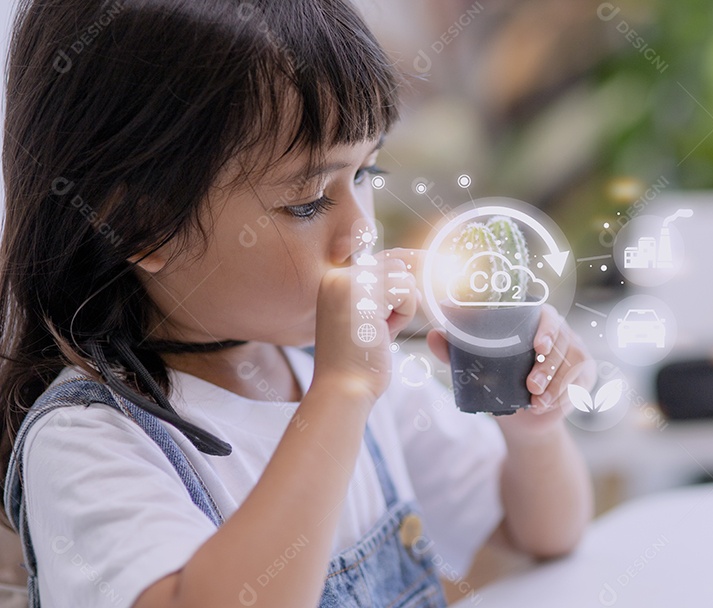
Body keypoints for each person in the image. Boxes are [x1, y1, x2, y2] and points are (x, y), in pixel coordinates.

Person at [0, 1, 596, 606]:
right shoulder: (87, 441)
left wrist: (532, 432)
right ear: (141, 226)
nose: (362, 230)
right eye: (307, 202)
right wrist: (339, 395)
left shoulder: (350, 374)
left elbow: (539, 533)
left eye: (365, 174)